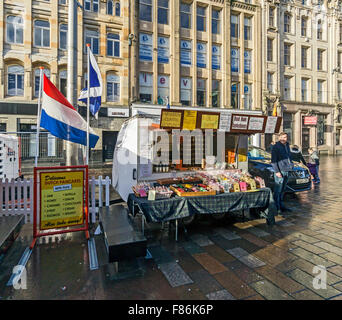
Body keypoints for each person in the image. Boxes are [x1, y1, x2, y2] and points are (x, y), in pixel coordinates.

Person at [271, 132, 294, 214]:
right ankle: (276, 207)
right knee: (278, 190)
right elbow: (273, 161)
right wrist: (277, 171)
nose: (284, 139)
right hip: (280, 171)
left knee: (283, 190)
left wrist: (291, 165)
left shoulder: (287, 145)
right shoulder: (275, 147)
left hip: (287, 170)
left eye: (285, 137)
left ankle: (281, 205)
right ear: (279, 137)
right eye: (283, 137)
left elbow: (289, 157)